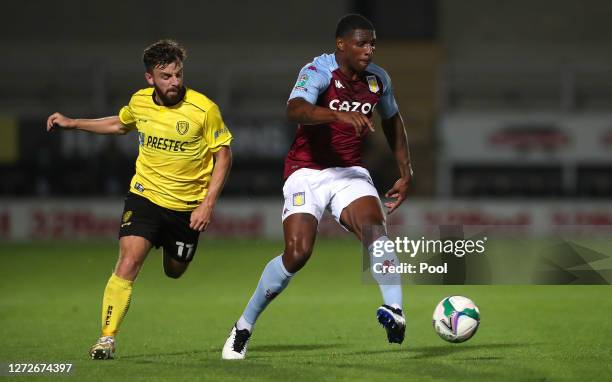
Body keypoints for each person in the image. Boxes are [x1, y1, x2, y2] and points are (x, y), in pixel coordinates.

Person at [222, 14, 413, 360]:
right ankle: (244, 325)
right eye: (361, 43)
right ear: (341, 44)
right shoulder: (319, 71)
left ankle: (395, 309)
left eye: (372, 43)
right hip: (306, 171)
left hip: (349, 172)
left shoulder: (378, 80)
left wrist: (405, 169)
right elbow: (295, 110)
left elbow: (392, 119)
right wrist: (337, 115)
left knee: (375, 231)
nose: (369, 50)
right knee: (298, 253)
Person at [46, 39, 233, 360]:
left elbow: (224, 155)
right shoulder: (140, 101)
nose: (174, 82)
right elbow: (120, 124)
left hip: (187, 208)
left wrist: (208, 203)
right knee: (128, 262)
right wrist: (74, 123)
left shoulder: (205, 109)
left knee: (175, 271)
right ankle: (106, 338)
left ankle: (172, 250)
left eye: (178, 74)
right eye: (166, 76)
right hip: (144, 197)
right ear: (150, 78)